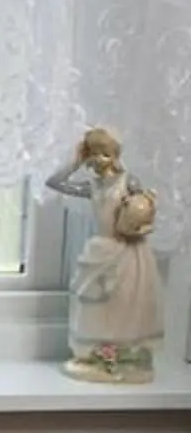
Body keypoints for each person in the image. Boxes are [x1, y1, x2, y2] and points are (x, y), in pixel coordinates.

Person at [46, 126, 164, 382]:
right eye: (94, 154)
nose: (99, 160)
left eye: (105, 154)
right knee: (91, 300)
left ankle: (122, 355)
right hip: (101, 249)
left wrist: (137, 222)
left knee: (124, 303)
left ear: (115, 155)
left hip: (126, 251)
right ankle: (97, 352)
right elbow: (55, 183)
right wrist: (75, 161)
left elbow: (144, 209)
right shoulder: (92, 186)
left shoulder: (128, 182)